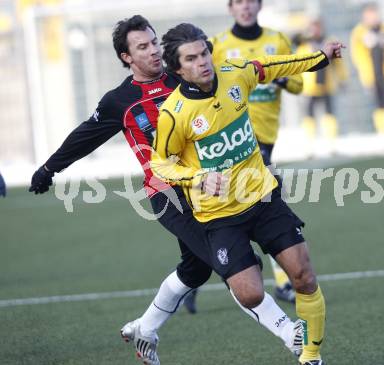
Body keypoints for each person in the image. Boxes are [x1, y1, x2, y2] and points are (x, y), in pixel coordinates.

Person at [28, 15, 303, 365]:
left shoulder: (184, 76)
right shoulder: (120, 101)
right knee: (232, 266)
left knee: (195, 269)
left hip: (212, 190)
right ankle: (287, 330)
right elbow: (85, 136)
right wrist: (49, 168)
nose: (153, 51)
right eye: (142, 47)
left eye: (154, 42)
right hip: (168, 195)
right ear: (126, 58)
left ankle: (145, 327)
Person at [152, 22, 343, 365]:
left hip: (263, 197)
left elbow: (275, 66)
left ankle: (311, 356)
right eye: (192, 58)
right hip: (219, 216)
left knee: (303, 275)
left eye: (205, 52)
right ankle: (243, 264)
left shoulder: (235, 75)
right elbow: (160, 166)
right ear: (178, 69)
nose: (203, 62)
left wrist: (320, 57)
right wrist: (197, 177)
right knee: (251, 293)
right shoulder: (174, 114)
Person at [209, 0, 303, 305]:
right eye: (238, 2)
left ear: (259, 5)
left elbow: (299, 83)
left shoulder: (276, 40)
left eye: (250, 1)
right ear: (230, 8)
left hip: (266, 134)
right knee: (269, 203)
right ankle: (282, 281)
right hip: (235, 137)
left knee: (244, 206)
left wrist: (282, 78)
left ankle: (192, 275)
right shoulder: (219, 45)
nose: (245, 7)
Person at [351, 2, 384, 133]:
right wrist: (364, 71)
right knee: (378, 104)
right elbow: (357, 54)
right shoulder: (359, 33)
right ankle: (383, 132)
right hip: (372, 74)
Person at [297, 18, 348, 141]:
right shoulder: (304, 46)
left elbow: (339, 64)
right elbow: (298, 65)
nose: (315, 31)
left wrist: (342, 78)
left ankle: (331, 140)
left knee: (329, 114)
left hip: (327, 85)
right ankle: (310, 141)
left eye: (317, 27)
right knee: (309, 115)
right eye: (312, 28)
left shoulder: (330, 44)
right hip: (309, 87)